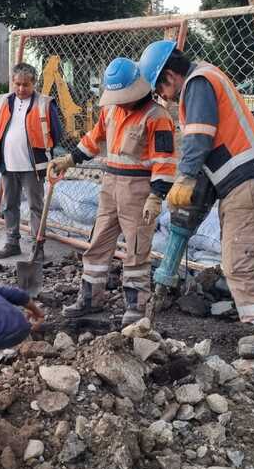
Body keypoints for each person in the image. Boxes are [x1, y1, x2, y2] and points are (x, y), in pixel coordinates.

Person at [138, 39, 254, 358]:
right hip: (242, 186)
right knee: (241, 257)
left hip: (249, 186)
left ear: (169, 77)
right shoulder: (206, 79)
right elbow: (209, 162)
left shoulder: (198, 83)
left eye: (159, 90)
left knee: (240, 262)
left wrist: (186, 175)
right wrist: (186, 218)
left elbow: (198, 139)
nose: (162, 98)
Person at [50, 58, 177, 326]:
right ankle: (90, 297)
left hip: (139, 190)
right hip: (110, 185)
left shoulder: (157, 117)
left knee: (136, 247)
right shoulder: (110, 111)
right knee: (98, 242)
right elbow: (93, 139)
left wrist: (156, 196)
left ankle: (136, 305)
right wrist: (70, 159)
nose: (121, 101)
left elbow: (165, 162)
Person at [0, 63, 63, 260]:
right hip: (8, 164)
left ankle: (37, 246)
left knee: (35, 207)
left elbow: (56, 134)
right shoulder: (2, 101)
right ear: (12, 82)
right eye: (17, 84)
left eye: (26, 85)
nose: (21, 89)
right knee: (9, 206)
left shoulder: (45, 103)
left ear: (34, 83)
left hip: (33, 167)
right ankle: (12, 243)